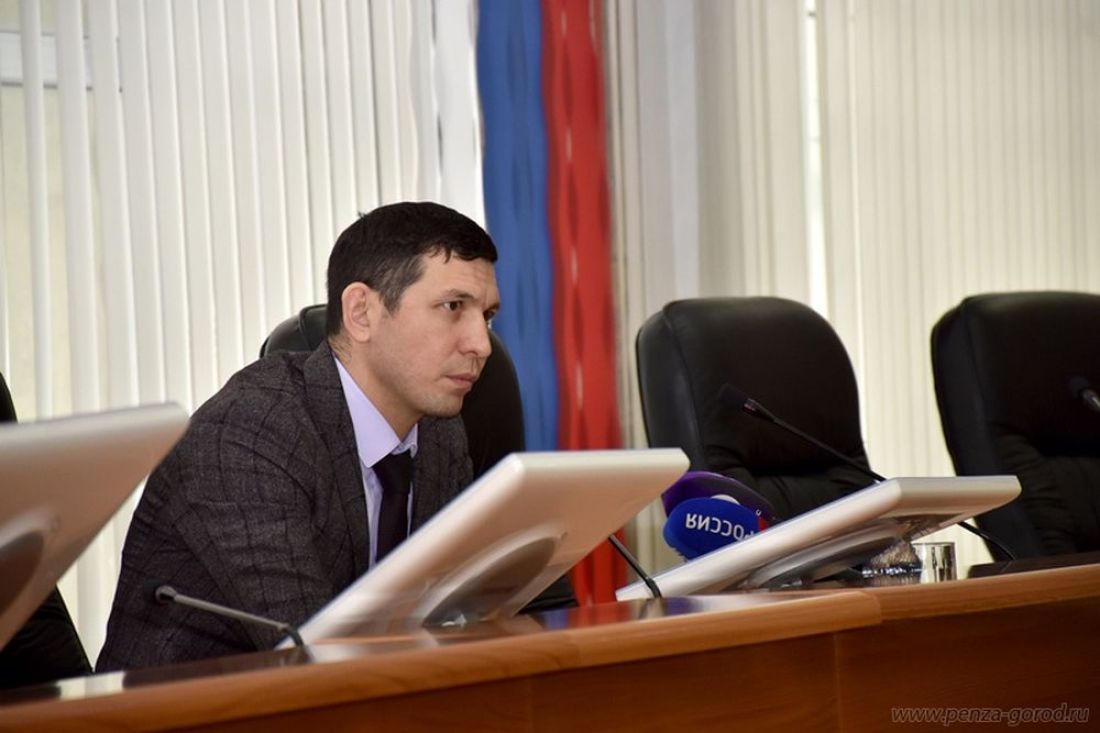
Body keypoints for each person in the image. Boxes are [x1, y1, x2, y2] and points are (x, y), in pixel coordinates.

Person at [97, 202, 502, 671]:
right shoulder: (248, 435)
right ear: (361, 312)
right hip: (186, 706)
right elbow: (310, 652)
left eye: (487, 315)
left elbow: (449, 616)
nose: (481, 344)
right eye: (453, 307)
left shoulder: (440, 432)